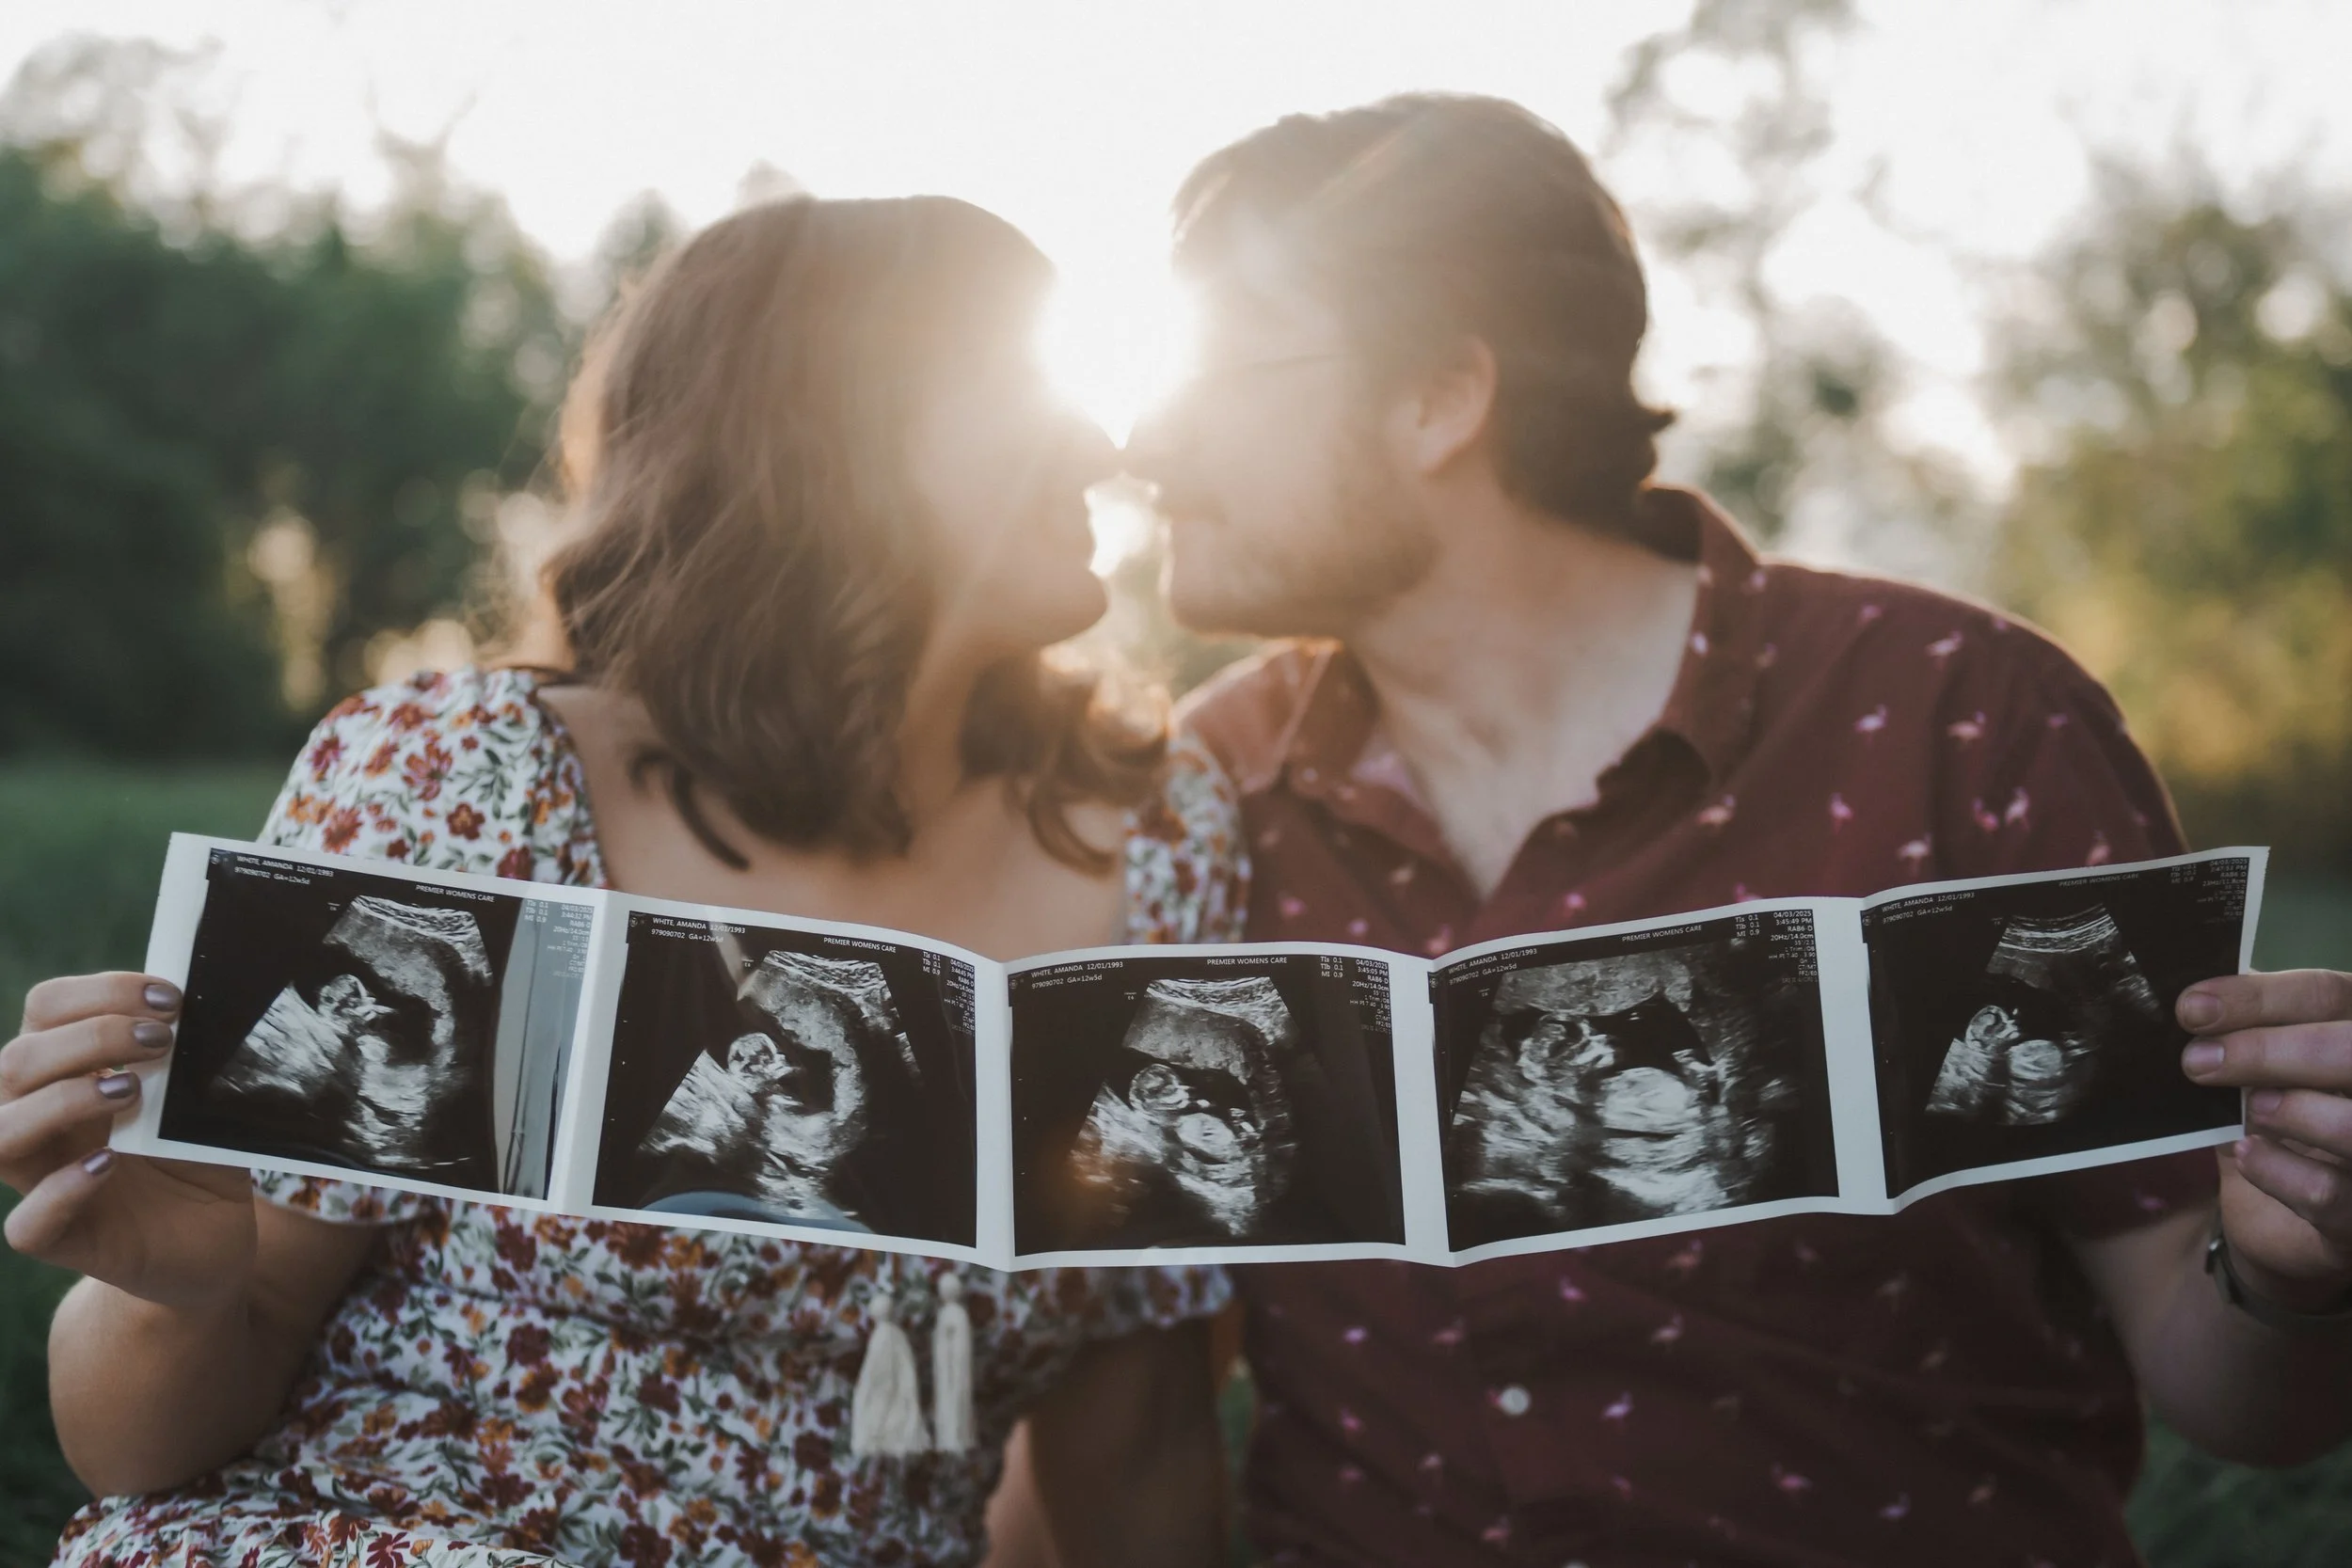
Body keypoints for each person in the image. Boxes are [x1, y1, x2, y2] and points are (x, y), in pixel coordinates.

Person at [1126, 92, 2352, 1566]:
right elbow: (1132, 1355)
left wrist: (2294, 1269)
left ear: (1438, 399)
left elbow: (2223, 1369)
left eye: (1212, 369)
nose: (1145, 435)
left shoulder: (1958, 725)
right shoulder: (1204, 792)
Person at [0, 196, 1236, 1568]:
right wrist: (175, 1288)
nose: (1105, 442)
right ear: (821, 439)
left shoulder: (1160, 845)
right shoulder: (467, 779)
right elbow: (140, 1443)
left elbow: (1136, 1444)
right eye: (1023, 390)